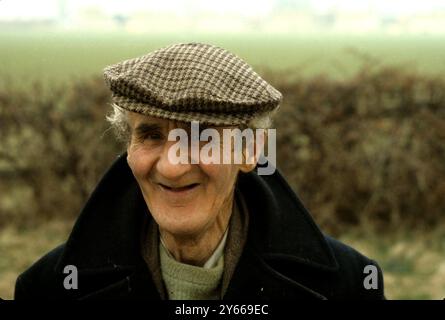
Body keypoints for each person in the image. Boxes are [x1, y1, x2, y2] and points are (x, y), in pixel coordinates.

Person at [15, 42, 384, 300]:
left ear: (250, 151)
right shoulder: (48, 288)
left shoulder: (345, 286)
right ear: (129, 149)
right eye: (151, 135)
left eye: (200, 138)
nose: (173, 166)